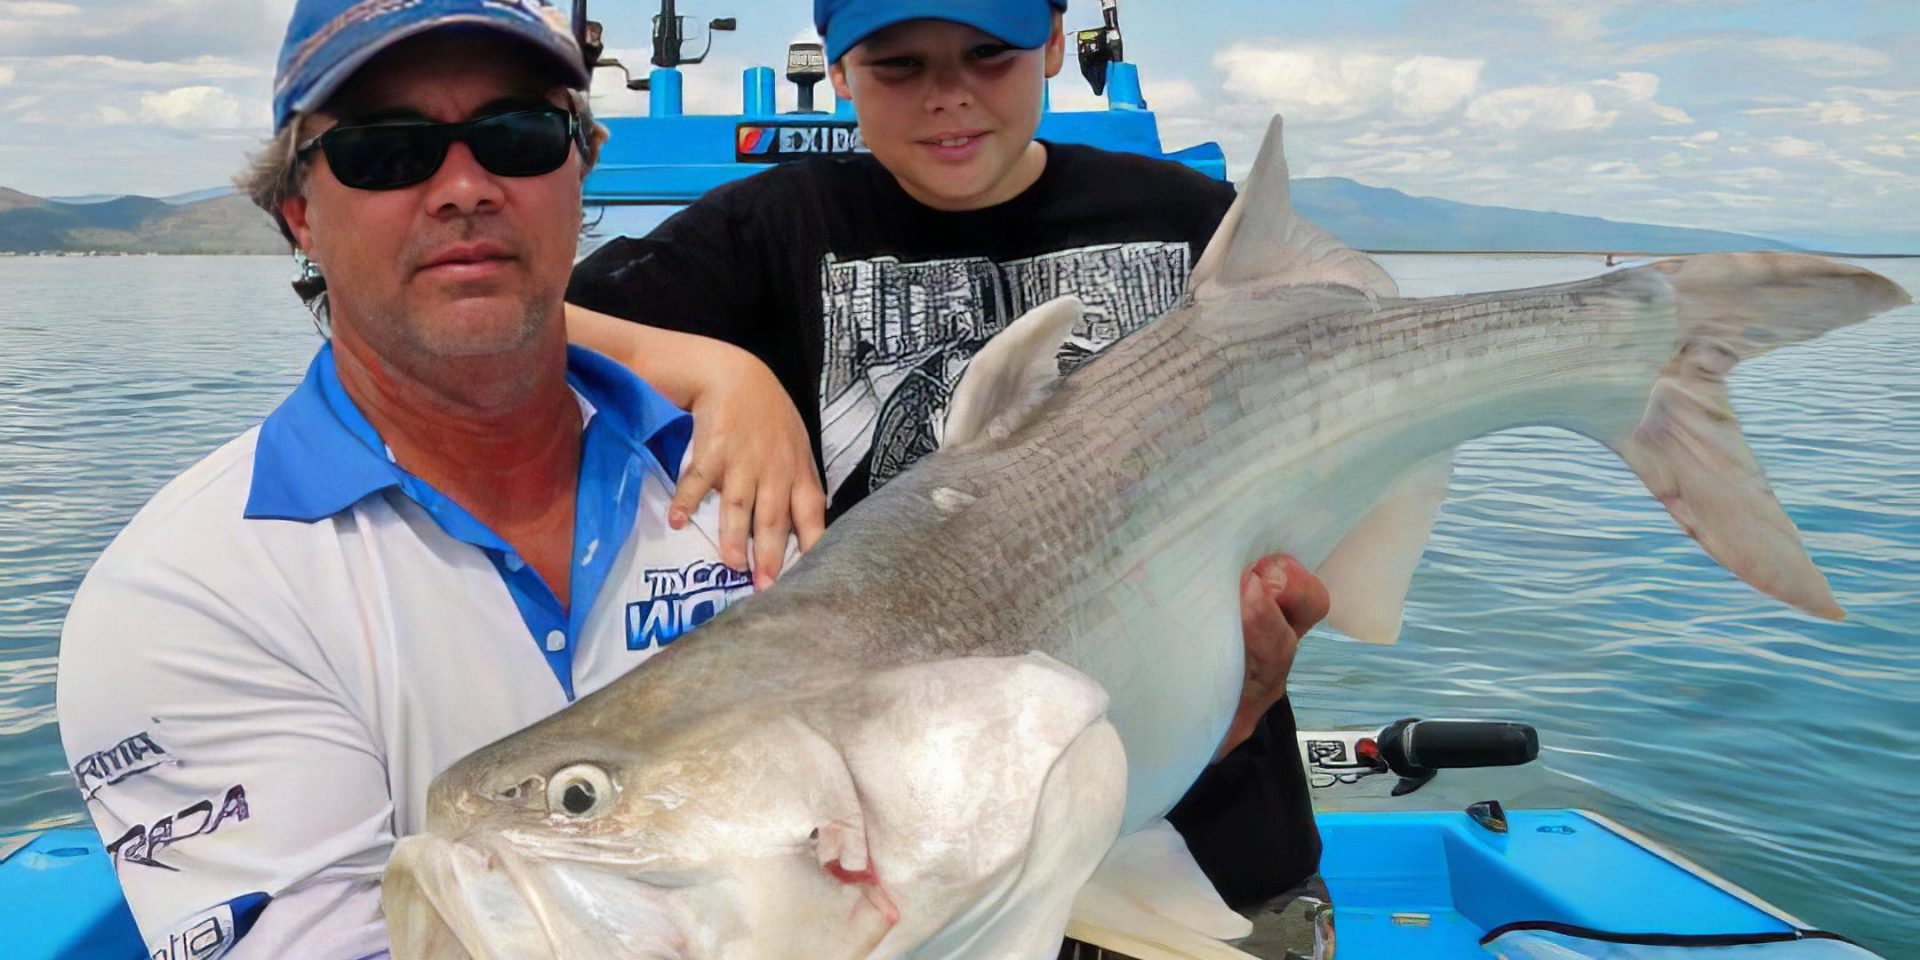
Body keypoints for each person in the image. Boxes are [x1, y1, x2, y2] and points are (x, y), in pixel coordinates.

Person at [566, 0, 1333, 922]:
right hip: (927, 883)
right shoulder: (766, 234)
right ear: (839, 71)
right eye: (899, 66)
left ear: (1053, 44)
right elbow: (519, 331)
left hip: (1225, 836)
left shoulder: (1189, 221)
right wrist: (716, 370)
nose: (950, 97)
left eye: (989, 54)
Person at [54, 2, 785, 955]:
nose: (465, 187)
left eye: (516, 135)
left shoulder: (741, 474)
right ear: (299, 214)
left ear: (580, 168)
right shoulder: (188, 596)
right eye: (388, 150)